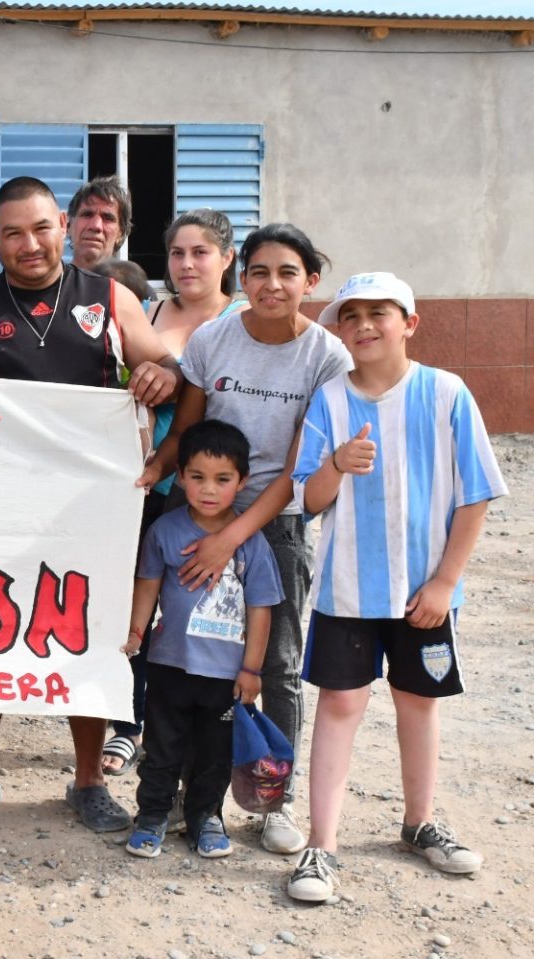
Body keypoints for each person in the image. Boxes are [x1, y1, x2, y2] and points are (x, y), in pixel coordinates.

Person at [0, 175, 180, 828]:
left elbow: (173, 374)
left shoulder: (112, 299)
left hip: (86, 510)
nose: (29, 244)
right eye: (12, 232)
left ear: (63, 227)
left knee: (87, 632)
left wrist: (159, 385)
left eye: (41, 228)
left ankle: (89, 778)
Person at [285, 273, 506, 902]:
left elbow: (476, 493)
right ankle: (320, 845)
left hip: (424, 595)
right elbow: (307, 498)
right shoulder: (329, 399)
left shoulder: (446, 393)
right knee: (340, 705)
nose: (363, 325)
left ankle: (419, 821)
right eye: (350, 315)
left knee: (418, 703)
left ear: (409, 323)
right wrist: (336, 465)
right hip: (347, 592)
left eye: (379, 313)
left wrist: (445, 580)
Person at [138, 223, 352, 855]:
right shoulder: (213, 337)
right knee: (182, 652)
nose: (271, 284)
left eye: (288, 272)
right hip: (194, 509)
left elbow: (296, 469)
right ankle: (182, 798)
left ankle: (270, 800)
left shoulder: (325, 357)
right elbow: (190, 426)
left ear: (310, 282)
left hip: (273, 524)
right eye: (259, 272)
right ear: (243, 276)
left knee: (274, 664)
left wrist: (230, 538)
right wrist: (151, 473)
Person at [103, 211, 244, 780]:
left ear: (227, 258)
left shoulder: (243, 319)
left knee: (202, 614)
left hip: (218, 496)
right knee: (135, 607)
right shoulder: (149, 311)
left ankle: (202, 739)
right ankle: (128, 728)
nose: (187, 264)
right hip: (146, 482)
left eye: (200, 252)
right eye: (177, 253)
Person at [123, 420, 280, 859]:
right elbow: (148, 584)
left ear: (242, 482)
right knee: (161, 748)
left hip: (226, 675)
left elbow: (260, 608)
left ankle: (206, 817)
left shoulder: (251, 544)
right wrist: (137, 631)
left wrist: (252, 669)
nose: (208, 490)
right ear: (182, 476)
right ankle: (152, 815)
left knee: (214, 754)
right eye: (196, 477)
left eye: (222, 479)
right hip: (170, 664)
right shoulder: (165, 531)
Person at [66, 176, 131, 273]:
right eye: (87, 214)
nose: (96, 226)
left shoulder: (130, 288)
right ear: (69, 226)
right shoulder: (49, 285)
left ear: (120, 233)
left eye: (108, 218)